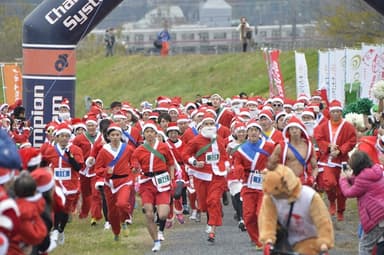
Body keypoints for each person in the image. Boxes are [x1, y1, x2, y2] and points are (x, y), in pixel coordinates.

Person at [259, 164, 334, 255]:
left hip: (309, 239)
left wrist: (324, 243)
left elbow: (323, 222)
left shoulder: (309, 197)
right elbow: (267, 220)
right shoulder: (271, 197)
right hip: (283, 240)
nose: (274, 196)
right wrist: (268, 240)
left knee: (308, 250)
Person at [182, 112, 229, 243]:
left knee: (213, 201)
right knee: (203, 204)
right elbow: (185, 154)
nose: (209, 126)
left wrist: (226, 165)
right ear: (201, 126)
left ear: (215, 125)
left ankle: (212, 230)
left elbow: (224, 155)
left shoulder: (218, 139)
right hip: (201, 176)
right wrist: (195, 162)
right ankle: (212, 215)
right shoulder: (195, 141)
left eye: (211, 124)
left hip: (216, 175)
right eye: (206, 124)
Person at [131, 121, 175, 252]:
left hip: (162, 181)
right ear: (143, 134)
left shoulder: (163, 147)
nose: (149, 134)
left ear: (156, 134)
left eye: (152, 132)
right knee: (149, 214)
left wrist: (172, 177)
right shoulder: (139, 150)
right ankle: (156, 241)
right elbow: (134, 162)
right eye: (147, 132)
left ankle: (159, 223)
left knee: (162, 215)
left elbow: (171, 163)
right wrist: (135, 169)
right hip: (147, 182)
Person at [232, 120, 275, 249]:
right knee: (249, 216)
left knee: (260, 213)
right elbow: (237, 163)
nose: (253, 133)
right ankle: (256, 239)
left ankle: (264, 237)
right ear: (247, 133)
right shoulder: (241, 150)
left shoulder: (268, 146)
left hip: (264, 185)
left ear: (259, 132)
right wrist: (238, 169)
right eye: (251, 130)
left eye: (256, 130)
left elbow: (276, 159)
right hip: (248, 184)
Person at [314, 100, 357, 221]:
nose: (336, 114)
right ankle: (332, 201)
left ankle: (341, 210)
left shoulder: (348, 126)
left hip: (342, 160)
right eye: (333, 112)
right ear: (330, 113)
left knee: (343, 188)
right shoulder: (323, 126)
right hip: (328, 160)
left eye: (338, 111)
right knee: (329, 183)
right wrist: (328, 146)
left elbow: (352, 140)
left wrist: (341, 150)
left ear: (341, 112)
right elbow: (319, 138)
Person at [94, 123, 135, 241]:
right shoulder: (103, 151)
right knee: (112, 213)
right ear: (108, 136)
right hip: (109, 184)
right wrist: (107, 170)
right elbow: (97, 169)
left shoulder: (127, 148)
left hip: (124, 181)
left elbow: (134, 161)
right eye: (113, 135)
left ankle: (125, 220)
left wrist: (134, 167)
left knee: (122, 204)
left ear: (121, 135)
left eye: (117, 134)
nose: (115, 137)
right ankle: (116, 232)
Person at [339, 151, 384, 255]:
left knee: (364, 247)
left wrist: (343, 179)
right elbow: (362, 183)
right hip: (382, 212)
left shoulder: (363, 179)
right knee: (381, 243)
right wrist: (350, 178)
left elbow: (348, 192)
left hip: (377, 217)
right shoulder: (376, 170)